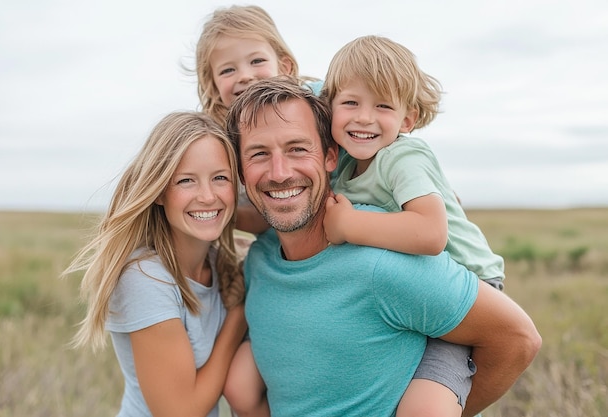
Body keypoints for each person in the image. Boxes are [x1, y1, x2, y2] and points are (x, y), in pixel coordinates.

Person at [225, 76, 541, 417]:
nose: (280, 172)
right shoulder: (260, 260)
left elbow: (517, 339)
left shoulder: (382, 260)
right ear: (241, 172)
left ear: (331, 156)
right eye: (258, 154)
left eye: (297, 149)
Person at [320, 35, 507, 416]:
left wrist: (348, 225)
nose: (364, 117)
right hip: (414, 290)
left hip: (466, 287)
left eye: (383, 106)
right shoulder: (344, 162)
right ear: (329, 107)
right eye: (350, 102)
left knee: (426, 402)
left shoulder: (403, 156)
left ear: (408, 119)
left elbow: (430, 234)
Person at [62, 112, 247, 417]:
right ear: (160, 191)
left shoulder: (219, 262)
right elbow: (181, 412)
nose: (207, 196)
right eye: (186, 180)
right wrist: (239, 315)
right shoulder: (144, 278)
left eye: (220, 178)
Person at [191, 6, 317, 416]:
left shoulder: (315, 103)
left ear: (285, 64)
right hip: (277, 257)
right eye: (227, 70)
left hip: (332, 239)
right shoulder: (223, 136)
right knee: (241, 388)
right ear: (212, 85)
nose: (243, 75)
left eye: (256, 61)